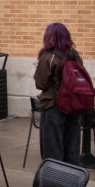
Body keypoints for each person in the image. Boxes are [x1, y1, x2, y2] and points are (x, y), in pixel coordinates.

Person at [34, 22, 83, 165]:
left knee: (53, 151)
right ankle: (72, 184)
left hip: (53, 107)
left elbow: (40, 84)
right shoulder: (75, 56)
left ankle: (55, 184)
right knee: (72, 150)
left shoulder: (48, 57)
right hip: (74, 107)